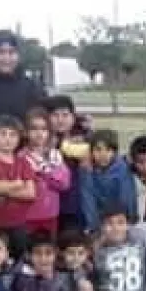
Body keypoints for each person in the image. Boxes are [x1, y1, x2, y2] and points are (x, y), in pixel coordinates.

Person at [0, 115, 35, 262]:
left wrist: (2, 187)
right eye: (3, 134)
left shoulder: (23, 163)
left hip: (18, 225)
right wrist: (16, 184)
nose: (8, 139)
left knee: (18, 261)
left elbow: (30, 193)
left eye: (13, 135)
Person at [20, 107, 71, 236]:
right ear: (26, 132)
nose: (39, 133)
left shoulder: (56, 155)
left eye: (43, 129)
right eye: (34, 129)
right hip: (28, 217)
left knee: (49, 250)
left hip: (51, 214)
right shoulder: (21, 157)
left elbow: (64, 184)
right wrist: (50, 176)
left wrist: (43, 174)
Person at [45, 94, 92, 232]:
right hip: (50, 207)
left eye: (65, 115)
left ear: (73, 117)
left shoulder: (83, 139)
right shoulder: (42, 141)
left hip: (76, 205)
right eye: (55, 115)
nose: (60, 120)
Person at [79, 129, 138, 233]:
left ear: (115, 152)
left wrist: (128, 222)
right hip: (98, 223)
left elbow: (127, 198)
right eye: (98, 149)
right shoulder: (87, 170)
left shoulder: (122, 169)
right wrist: (94, 226)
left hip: (121, 221)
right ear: (91, 151)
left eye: (108, 150)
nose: (103, 154)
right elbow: (88, 199)